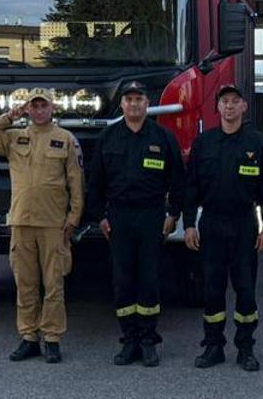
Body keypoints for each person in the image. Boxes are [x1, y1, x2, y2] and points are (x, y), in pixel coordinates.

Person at [0, 88, 84, 364]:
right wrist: (11, 115)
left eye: (43, 105)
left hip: (53, 224)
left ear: (52, 108)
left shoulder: (65, 140)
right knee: (25, 284)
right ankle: (29, 337)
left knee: (53, 285)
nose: (39, 110)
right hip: (21, 222)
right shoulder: (14, 138)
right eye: (33, 106)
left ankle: (53, 338)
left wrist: (73, 219)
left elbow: (76, 183)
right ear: (28, 109)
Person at [86, 81, 185, 367]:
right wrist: (100, 216)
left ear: (147, 103)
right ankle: (129, 340)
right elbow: (96, 184)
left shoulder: (163, 137)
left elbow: (178, 180)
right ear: (122, 105)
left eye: (139, 99)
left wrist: (173, 213)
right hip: (119, 218)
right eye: (129, 100)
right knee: (122, 281)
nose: (134, 104)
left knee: (149, 280)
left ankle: (148, 340)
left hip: (152, 216)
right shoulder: (108, 137)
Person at [183, 83, 263, 372]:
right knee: (212, 289)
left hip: (244, 224)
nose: (230, 106)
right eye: (224, 102)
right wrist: (188, 224)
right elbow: (191, 187)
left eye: (235, 101)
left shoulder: (258, 143)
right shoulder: (204, 143)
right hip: (211, 223)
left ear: (244, 107)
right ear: (218, 108)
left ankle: (246, 348)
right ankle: (213, 346)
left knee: (245, 289)